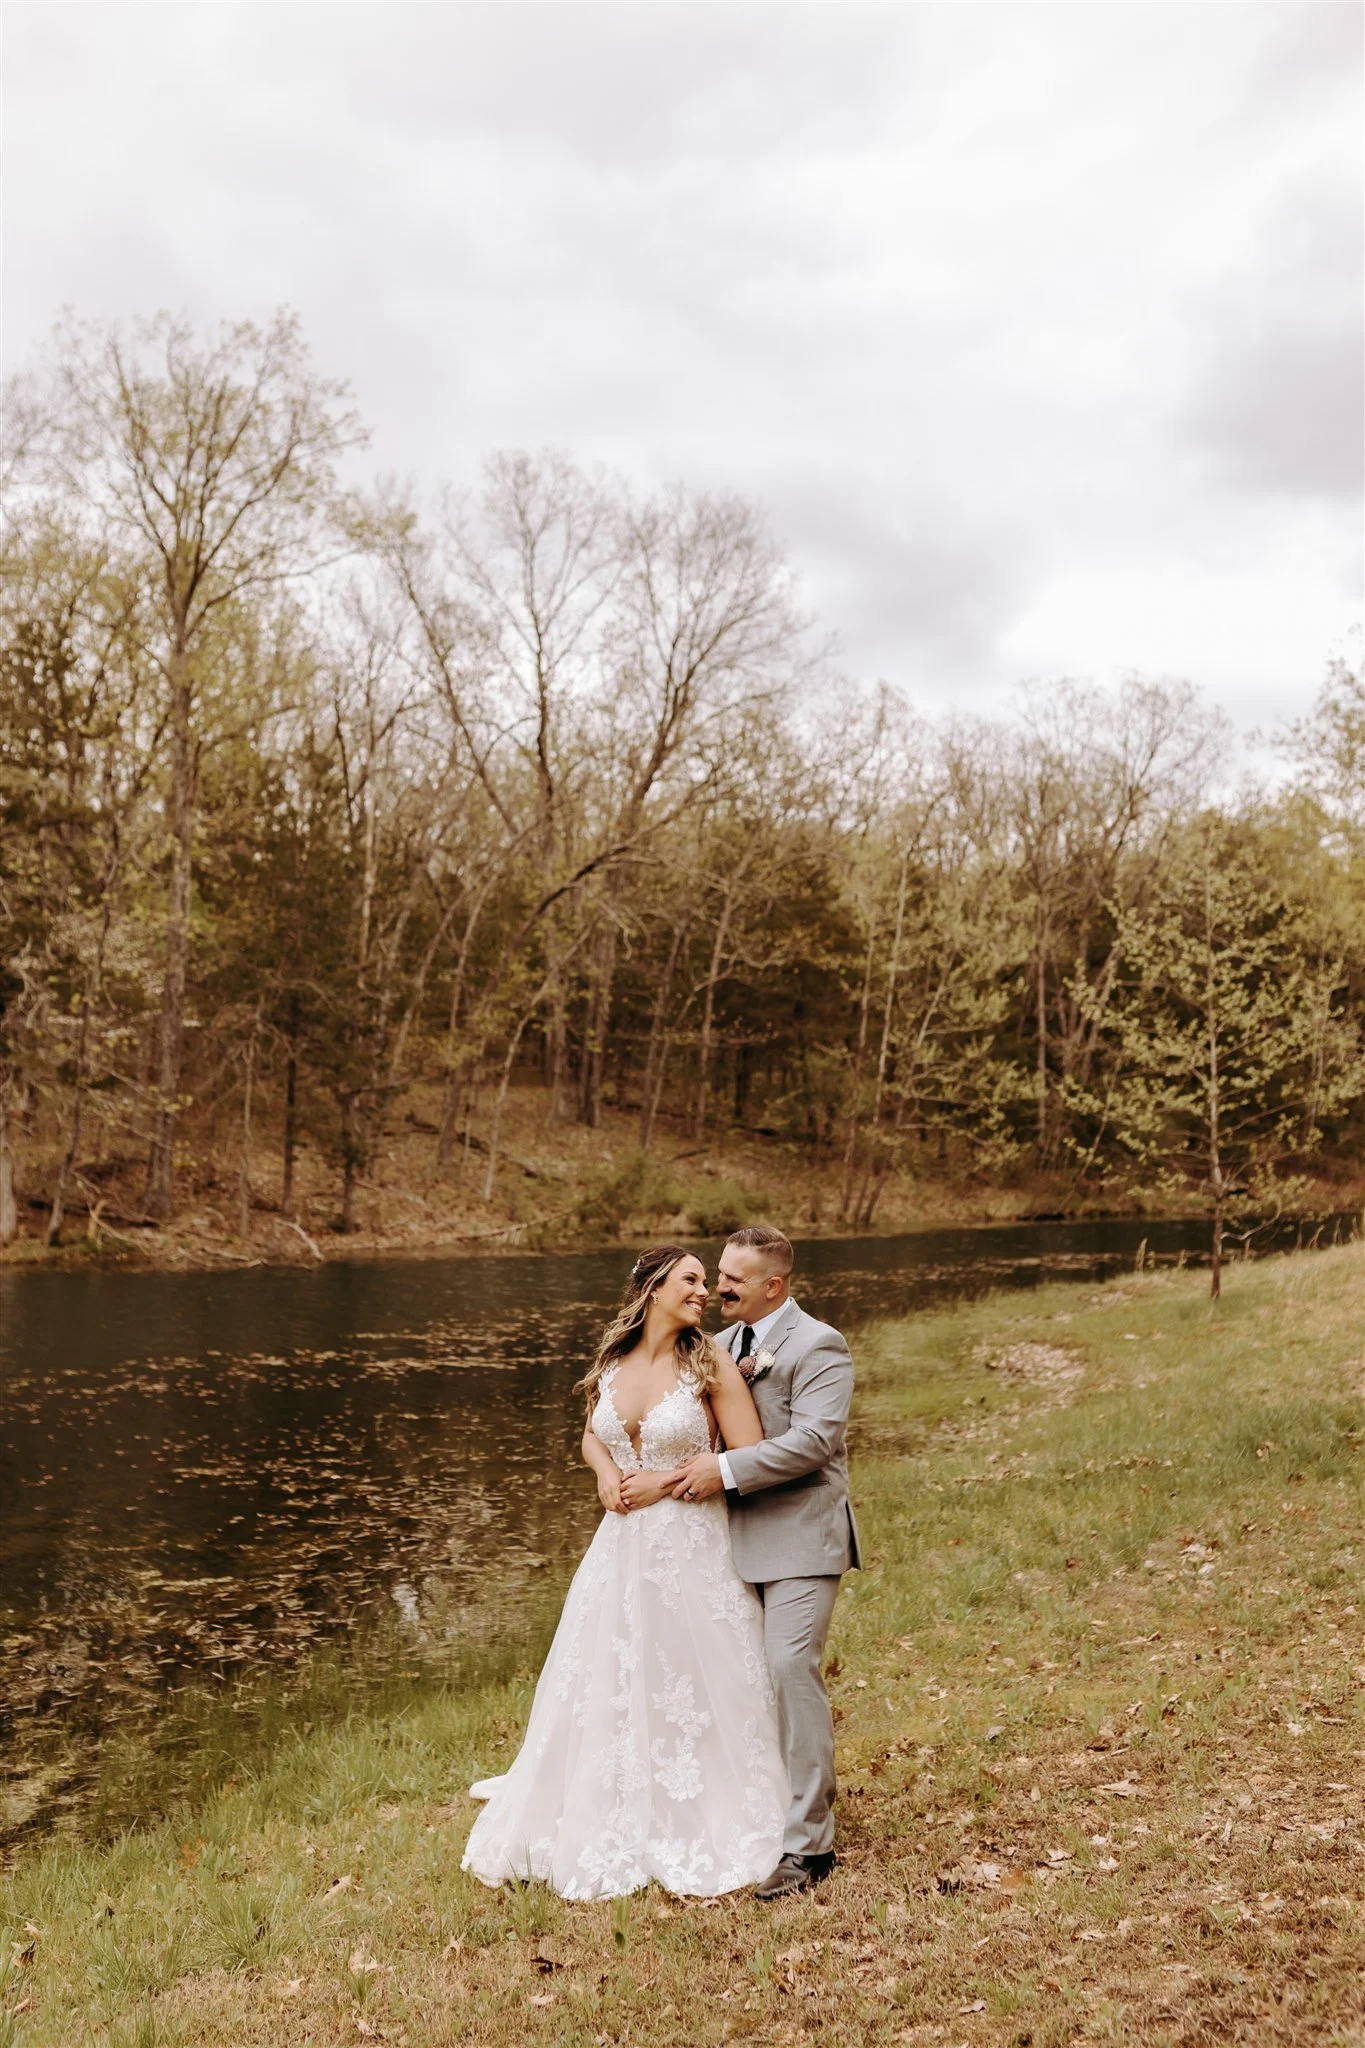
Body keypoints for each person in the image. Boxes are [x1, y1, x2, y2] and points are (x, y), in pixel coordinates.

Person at [461, 1244, 789, 1900]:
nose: (702, 1291)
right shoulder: (613, 1361)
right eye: (690, 1280)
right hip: (620, 1548)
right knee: (613, 1670)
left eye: (706, 1281)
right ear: (653, 1289)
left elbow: (747, 1455)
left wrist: (661, 1482)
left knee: (688, 1674)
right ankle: (606, 1793)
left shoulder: (709, 1361)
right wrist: (608, 1474)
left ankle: (704, 1803)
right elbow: (592, 1433)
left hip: (692, 1542)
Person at [669, 1224, 860, 1900]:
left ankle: (810, 1847)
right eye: (717, 1273)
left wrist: (722, 1469)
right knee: (729, 1679)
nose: (719, 1286)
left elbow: (812, 1443)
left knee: (787, 1667)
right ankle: (743, 1809)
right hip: (721, 1543)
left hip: (800, 1542)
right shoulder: (715, 1349)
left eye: (733, 1279)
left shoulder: (820, 1345)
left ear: (773, 1286)